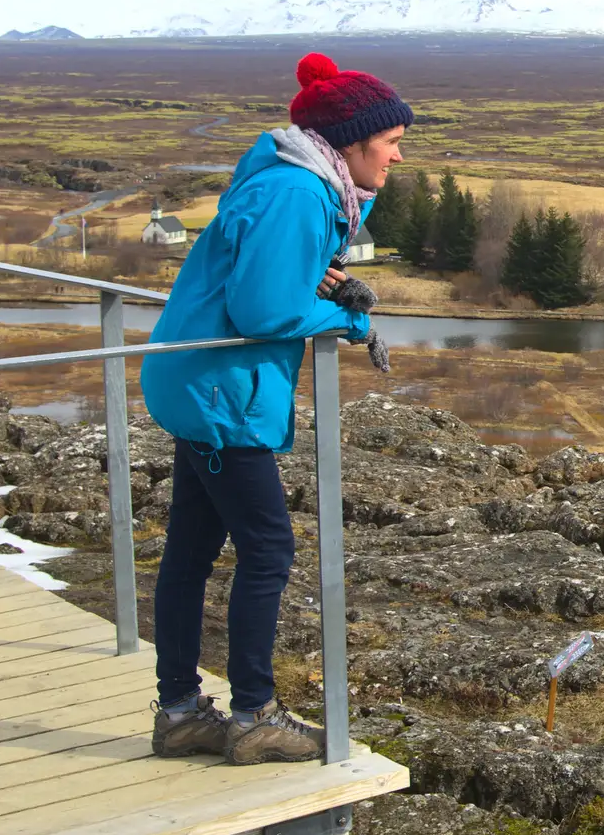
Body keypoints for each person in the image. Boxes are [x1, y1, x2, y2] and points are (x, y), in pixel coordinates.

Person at [142, 53, 409, 765]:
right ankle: (254, 712)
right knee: (268, 547)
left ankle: (178, 711)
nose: (399, 151)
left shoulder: (301, 179)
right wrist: (345, 321)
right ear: (351, 141)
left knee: (192, 550)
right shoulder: (298, 191)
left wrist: (317, 278)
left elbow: (262, 272)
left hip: (198, 381)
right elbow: (261, 306)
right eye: (390, 139)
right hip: (223, 394)